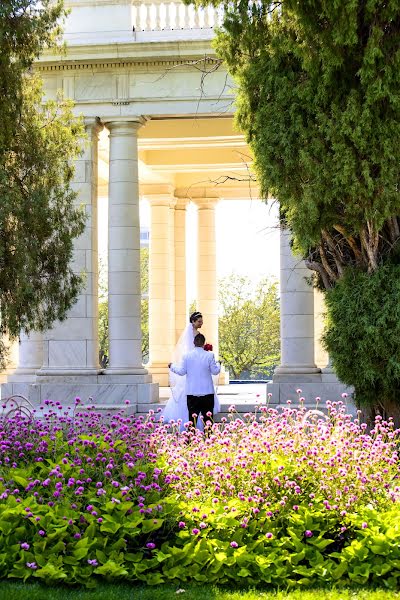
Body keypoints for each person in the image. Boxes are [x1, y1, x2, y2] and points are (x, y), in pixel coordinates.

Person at [162, 311, 220, 429]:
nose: (201, 323)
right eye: (199, 321)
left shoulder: (192, 348)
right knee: (205, 414)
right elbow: (215, 371)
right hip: (202, 383)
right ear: (193, 321)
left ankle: (191, 433)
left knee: (192, 413)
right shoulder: (205, 352)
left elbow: (182, 370)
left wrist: (172, 366)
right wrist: (217, 363)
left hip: (192, 375)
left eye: (202, 321)